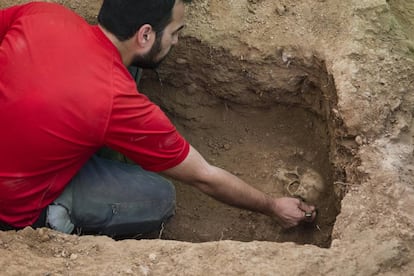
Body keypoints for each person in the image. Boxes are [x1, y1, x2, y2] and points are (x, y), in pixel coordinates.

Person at [0, 0, 316, 238]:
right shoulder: (116, 102)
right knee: (159, 197)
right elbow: (203, 176)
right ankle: (53, 220)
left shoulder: (42, 14)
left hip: (31, 138)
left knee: (130, 68)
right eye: (175, 32)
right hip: (13, 205)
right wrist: (272, 206)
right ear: (146, 34)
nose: (177, 42)